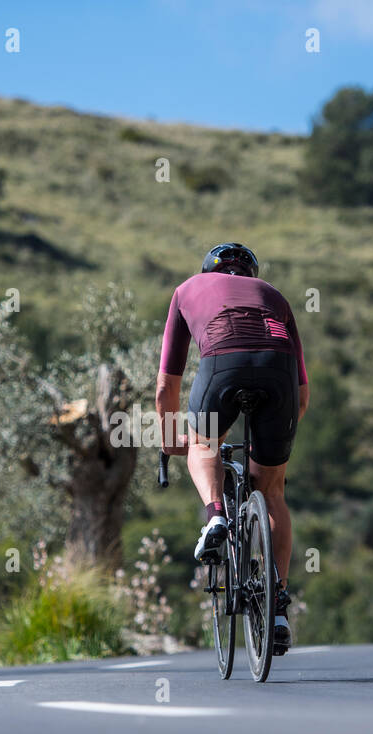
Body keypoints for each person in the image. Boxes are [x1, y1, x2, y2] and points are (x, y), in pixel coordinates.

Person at [156, 242, 309, 653]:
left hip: (223, 361)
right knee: (272, 491)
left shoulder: (188, 288)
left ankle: (215, 517)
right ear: (252, 274)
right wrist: (272, 443)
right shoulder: (274, 295)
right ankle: (278, 607)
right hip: (279, 377)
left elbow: (165, 386)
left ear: (209, 271)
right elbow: (303, 394)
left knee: (203, 443)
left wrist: (174, 441)